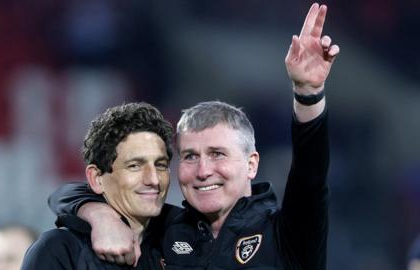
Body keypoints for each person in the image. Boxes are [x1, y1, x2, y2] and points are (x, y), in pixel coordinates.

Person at [48, 3, 339, 269]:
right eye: (190, 156)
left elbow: (310, 175)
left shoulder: (287, 234)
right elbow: (66, 194)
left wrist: (308, 93)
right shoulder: (162, 229)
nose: (203, 171)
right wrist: (101, 216)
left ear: (251, 164)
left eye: (217, 154)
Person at [21, 102, 176, 269]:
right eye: (134, 166)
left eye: (160, 165)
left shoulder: (186, 242)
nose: (153, 179)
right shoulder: (61, 250)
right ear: (96, 178)